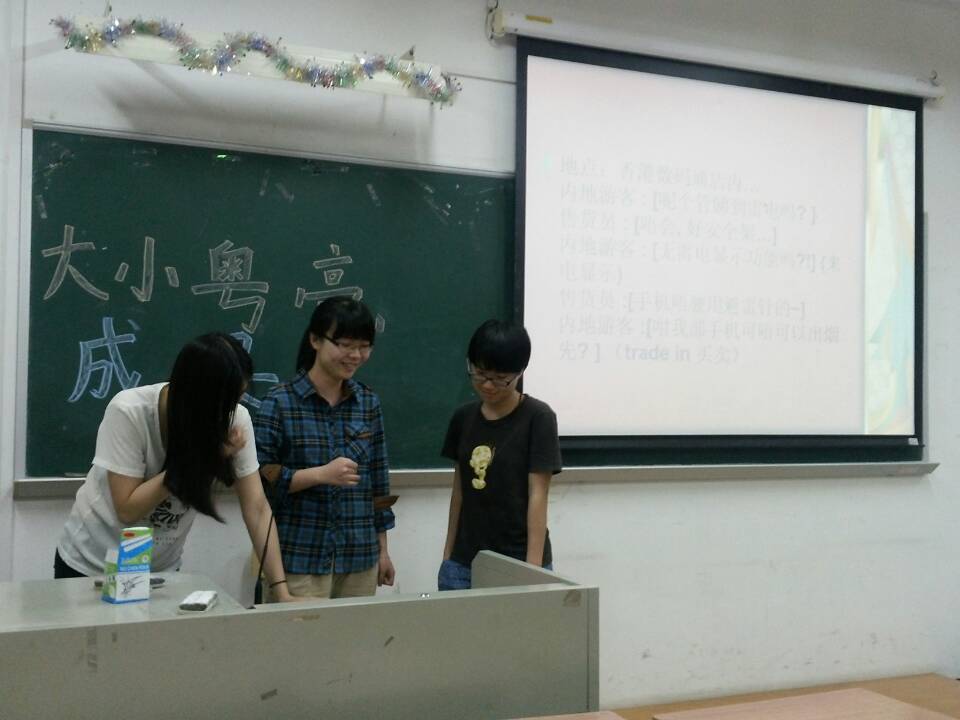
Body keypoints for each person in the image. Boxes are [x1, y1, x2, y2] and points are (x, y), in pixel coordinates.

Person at [55, 332, 293, 602]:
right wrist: (202, 457)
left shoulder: (235, 419)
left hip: (159, 572)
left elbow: (257, 508)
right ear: (194, 397)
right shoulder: (129, 411)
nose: (229, 412)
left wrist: (281, 590)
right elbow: (128, 509)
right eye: (223, 402)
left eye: (236, 400)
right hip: (91, 566)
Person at [254, 296, 395, 600]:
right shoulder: (280, 402)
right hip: (299, 559)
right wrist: (319, 475)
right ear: (315, 340)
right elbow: (261, 478)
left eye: (364, 346)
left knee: (357, 633)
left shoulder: (368, 403)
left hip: (359, 558)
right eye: (345, 345)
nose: (355, 355)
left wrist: (383, 550)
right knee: (297, 632)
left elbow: (379, 484)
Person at [438, 319, 562, 591]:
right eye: (480, 373)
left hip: (518, 560)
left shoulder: (538, 417)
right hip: (463, 563)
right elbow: (459, 492)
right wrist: (448, 556)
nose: (488, 385)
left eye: (499, 378)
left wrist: (531, 571)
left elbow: (538, 496)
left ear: (520, 372)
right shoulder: (463, 418)